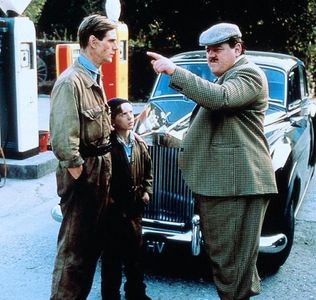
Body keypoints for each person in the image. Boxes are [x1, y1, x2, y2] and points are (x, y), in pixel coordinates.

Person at [147, 22, 278, 300]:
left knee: (232, 266)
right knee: (229, 263)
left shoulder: (248, 75)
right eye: (207, 50)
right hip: (228, 185)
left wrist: (174, 71)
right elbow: (221, 132)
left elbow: (220, 100)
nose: (211, 56)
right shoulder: (229, 76)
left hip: (237, 186)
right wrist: (174, 143)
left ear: (238, 48)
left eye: (217, 49)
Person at [49, 14, 117, 299]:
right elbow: (64, 142)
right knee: (74, 253)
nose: (115, 47)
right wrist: (82, 178)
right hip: (84, 174)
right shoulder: (71, 82)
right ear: (93, 41)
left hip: (99, 170)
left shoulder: (92, 77)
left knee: (89, 248)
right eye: (111, 41)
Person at [101, 98, 153, 300]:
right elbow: (100, 177)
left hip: (134, 208)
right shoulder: (107, 146)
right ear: (113, 120)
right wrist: (108, 199)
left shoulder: (138, 142)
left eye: (131, 112)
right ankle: (110, 295)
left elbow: (148, 170)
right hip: (114, 210)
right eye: (123, 113)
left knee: (135, 255)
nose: (130, 117)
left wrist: (147, 190)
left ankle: (136, 293)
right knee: (112, 257)